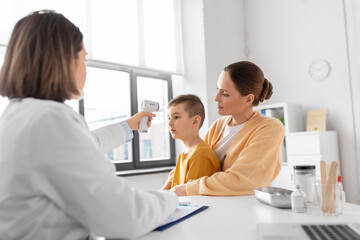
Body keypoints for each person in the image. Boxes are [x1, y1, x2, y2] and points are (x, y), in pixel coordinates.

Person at [0, 10, 178, 240]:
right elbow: (126, 217)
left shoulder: (16, 117)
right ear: (64, 60)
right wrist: (170, 199)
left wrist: (129, 126)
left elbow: (83, 145)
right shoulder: (50, 120)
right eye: (83, 58)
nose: (85, 69)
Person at [170, 61, 285, 196]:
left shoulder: (270, 128)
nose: (216, 98)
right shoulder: (217, 126)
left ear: (248, 99)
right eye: (218, 90)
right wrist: (167, 188)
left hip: (246, 208)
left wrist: (188, 188)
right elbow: (194, 157)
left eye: (225, 93)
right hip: (214, 206)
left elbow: (242, 180)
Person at [161, 94, 220, 190]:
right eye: (169, 118)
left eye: (176, 117)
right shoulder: (184, 154)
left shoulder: (200, 154)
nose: (170, 123)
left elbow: (192, 197)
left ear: (195, 121)